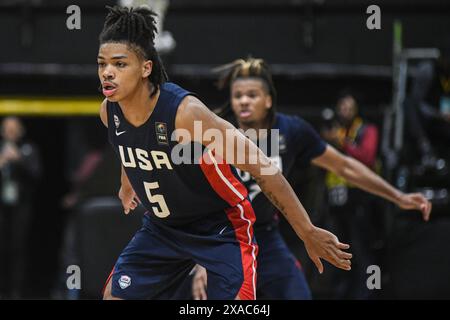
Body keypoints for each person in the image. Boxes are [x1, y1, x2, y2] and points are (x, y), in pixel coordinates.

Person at [98, 6, 352, 300]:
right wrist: (127, 180)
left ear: (146, 68)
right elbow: (127, 142)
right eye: (102, 63)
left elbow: (262, 166)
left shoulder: (186, 113)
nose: (107, 72)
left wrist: (306, 230)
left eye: (119, 64)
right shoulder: (110, 112)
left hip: (220, 225)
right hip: (162, 228)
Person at [189, 58, 432, 300]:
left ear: (268, 100)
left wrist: (397, 196)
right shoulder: (218, 134)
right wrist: (203, 259)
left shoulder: (291, 130)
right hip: (225, 238)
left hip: (267, 235)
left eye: (252, 94)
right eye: (237, 95)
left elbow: (345, 166)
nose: (243, 100)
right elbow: (199, 199)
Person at [0, 116, 41, 299]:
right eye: (7, 128)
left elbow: (36, 174)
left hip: (21, 206)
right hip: (2, 207)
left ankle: (17, 291)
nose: (10, 131)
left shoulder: (28, 149)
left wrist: (19, 160)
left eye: (14, 128)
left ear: (21, 130)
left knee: (18, 247)